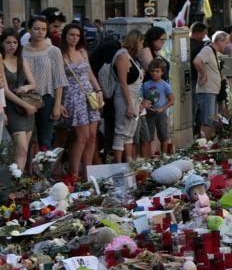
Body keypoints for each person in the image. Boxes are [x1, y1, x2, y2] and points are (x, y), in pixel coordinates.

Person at [59, 23, 103, 179]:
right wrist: (60, 102)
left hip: (89, 95)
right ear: (65, 35)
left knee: (92, 137)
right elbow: (58, 80)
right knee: (82, 137)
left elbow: (90, 73)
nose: (74, 38)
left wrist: (98, 90)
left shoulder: (83, 51)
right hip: (73, 96)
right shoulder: (60, 54)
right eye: (71, 35)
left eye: (77, 35)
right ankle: (74, 174)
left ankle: (88, 174)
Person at [22, 15, 67, 155]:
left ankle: (43, 175)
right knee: (25, 140)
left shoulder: (53, 51)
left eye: (44, 29)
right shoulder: (21, 51)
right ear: (29, 30)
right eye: (36, 28)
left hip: (47, 98)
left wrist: (57, 105)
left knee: (45, 140)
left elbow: (59, 79)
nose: (40, 32)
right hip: (25, 99)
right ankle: (24, 174)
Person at [3, 28, 41, 175]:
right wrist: (27, 105)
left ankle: (18, 184)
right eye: (8, 42)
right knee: (22, 148)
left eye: (15, 42)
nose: (12, 45)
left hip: (26, 109)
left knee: (23, 151)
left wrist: (26, 87)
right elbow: (5, 90)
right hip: (12, 107)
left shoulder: (21, 59)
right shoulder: (1, 60)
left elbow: (33, 83)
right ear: (2, 44)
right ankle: (15, 184)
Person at [109, 30, 144, 160]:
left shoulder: (133, 57)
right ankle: (118, 163)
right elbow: (123, 82)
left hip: (134, 97)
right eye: (141, 42)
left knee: (130, 132)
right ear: (136, 42)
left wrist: (138, 103)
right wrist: (129, 104)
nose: (142, 45)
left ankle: (128, 160)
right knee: (121, 131)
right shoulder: (122, 55)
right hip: (124, 97)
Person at [194, 32, 227, 141]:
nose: (226, 45)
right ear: (219, 41)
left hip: (213, 90)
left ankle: (209, 143)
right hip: (207, 90)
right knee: (207, 120)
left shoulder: (214, 52)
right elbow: (197, 61)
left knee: (212, 119)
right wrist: (204, 74)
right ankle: (204, 145)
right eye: (225, 42)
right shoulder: (207, 50)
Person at [139, 59, 173, 158]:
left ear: (162, 72)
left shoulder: (165, 85)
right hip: (148, 113)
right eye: (152, 71)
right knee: (148, 136)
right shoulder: (145, 85)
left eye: (157, 71)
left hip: (161, 113)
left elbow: (172, 100)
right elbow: (142, 98)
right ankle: (150, 156)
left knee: (163, 135)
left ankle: (164, 155)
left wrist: (163, 108)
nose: (154, 73)